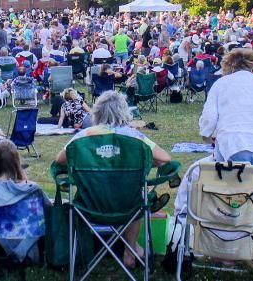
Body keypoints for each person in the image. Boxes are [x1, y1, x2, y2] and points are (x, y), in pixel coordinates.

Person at [57, 91, 170, 269]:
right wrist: (143, 161)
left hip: (89, 205)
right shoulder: (134, 137)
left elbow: (60, 160)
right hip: (128, 206)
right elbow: (165, 159)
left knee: (130, 195)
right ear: (124, 112)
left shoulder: (84, 136)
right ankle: (130, 250)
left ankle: (128, 249)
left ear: (97, 112)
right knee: (136, 195)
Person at [198, 47, 253, 183]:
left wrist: (206, 135)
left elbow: (209, 117)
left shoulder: (221, 84)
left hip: (234, 145)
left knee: (231, 195)